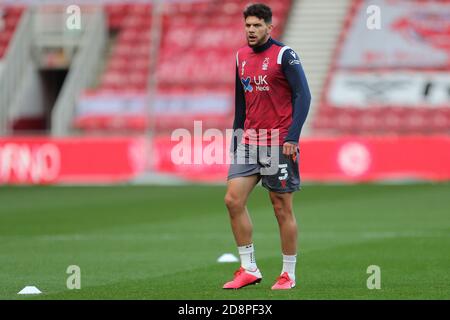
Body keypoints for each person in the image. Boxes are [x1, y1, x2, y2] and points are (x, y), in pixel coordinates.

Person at [223, 3, 311, 290]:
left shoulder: (285, 55)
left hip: (278, 142)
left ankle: (288, 274)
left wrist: (293, 137)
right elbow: (241, 101)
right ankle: (249, 268)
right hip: (250, 141)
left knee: (280, 208)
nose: (251, 30)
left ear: (269, 27)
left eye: (257, 25)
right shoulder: (241, 57)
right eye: (248, 25)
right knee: (233, 200)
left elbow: (303, 95)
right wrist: (236, 138)